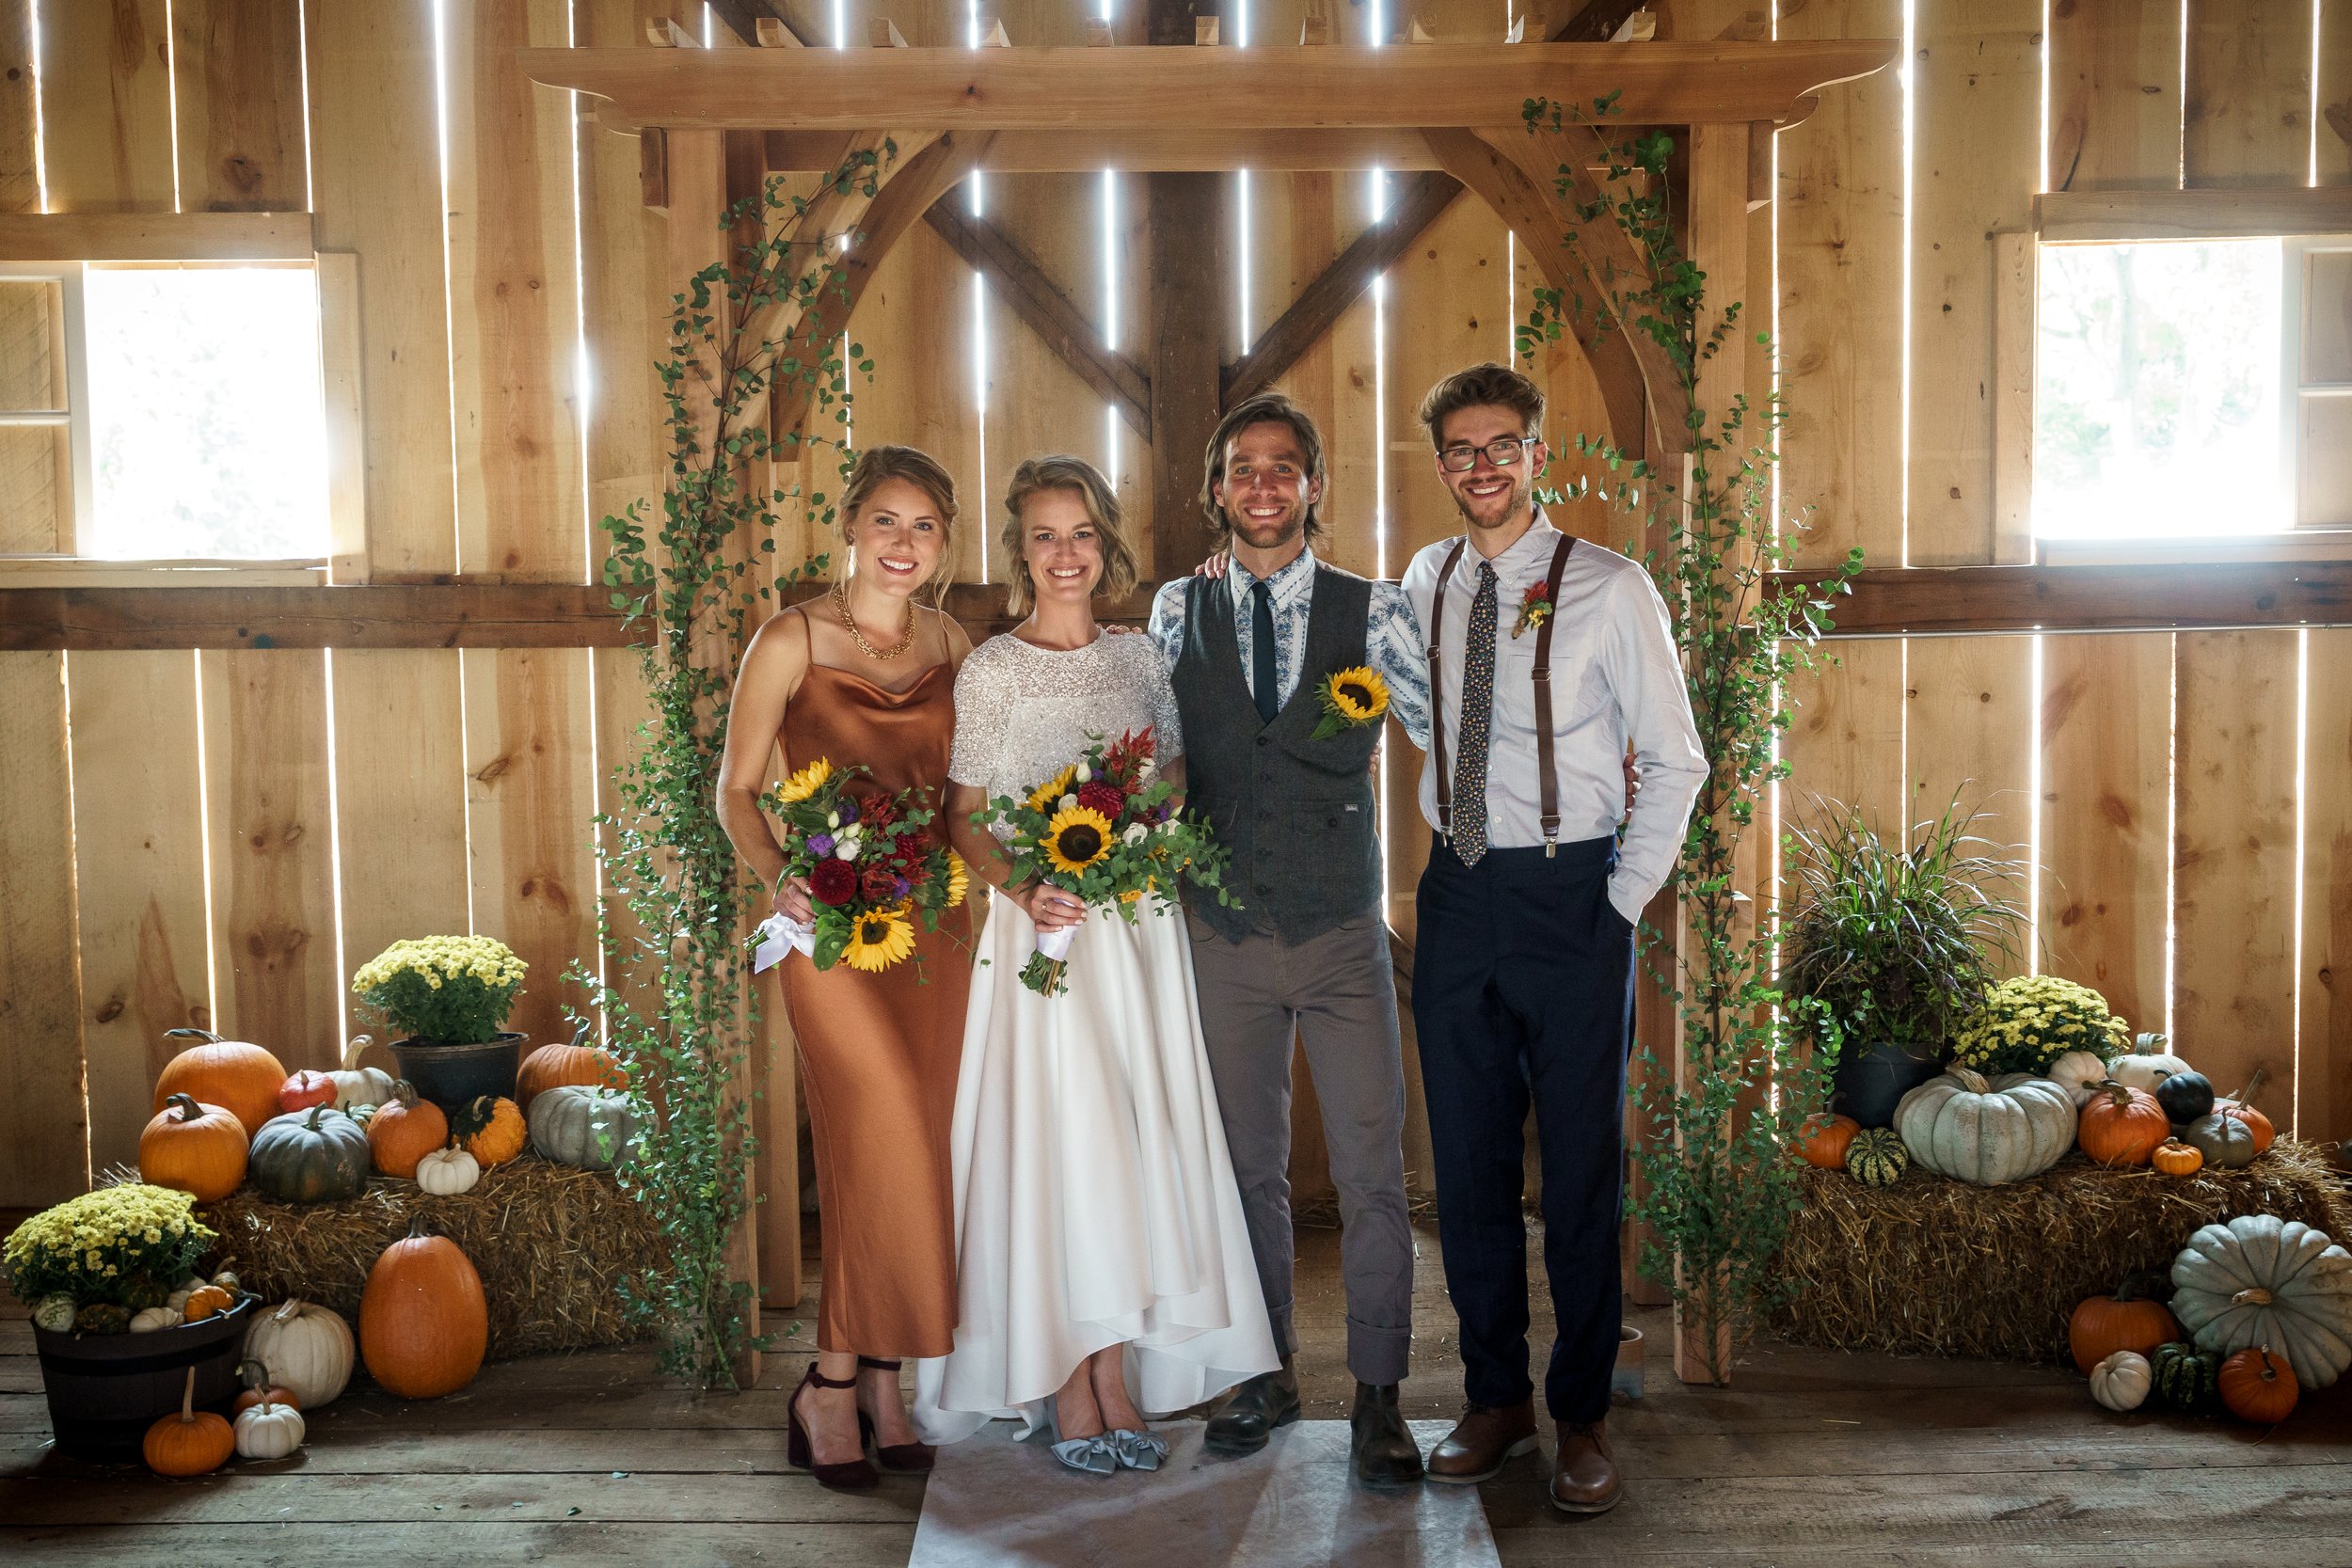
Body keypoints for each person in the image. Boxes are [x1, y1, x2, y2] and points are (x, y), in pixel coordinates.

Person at [914, 454, 1278, 1475]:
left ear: (1103, 544)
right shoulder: (992, 669)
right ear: (1019, 549)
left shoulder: (1138, 656)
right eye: (1042, 534)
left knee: (1129, 1139)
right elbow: (965, 814)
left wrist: (1135, 831)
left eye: (1079, 534)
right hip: (1043, 932)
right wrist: (1028, 889)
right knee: (1059, 1145)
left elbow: (1169, 768)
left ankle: (1117, 1373)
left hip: (1133, 929)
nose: (1063, 553)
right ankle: (1066, 1381)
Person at [1400, 363, 1706, 1514]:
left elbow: (1674, 757)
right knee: (1468, 1161)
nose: (1482, 467)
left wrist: (1618, 900)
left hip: (1575, 898)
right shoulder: (1422, 580)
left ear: (1538, 454)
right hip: (1459, 894)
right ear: (1443, 466)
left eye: (1503, 446)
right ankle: (1492, 1397)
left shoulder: (1612, 588)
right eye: (1461, 451)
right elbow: (1407, 700)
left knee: (1580, 1164)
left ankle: (1580, 1410)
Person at [1145, 393, 1431, 1489]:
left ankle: (1378, 1392)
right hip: (1219, 927)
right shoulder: (1177, 608)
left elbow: (1439, 732)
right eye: (1242, 468)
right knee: (1242, 1168)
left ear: (1314, 485)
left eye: (1284, 466)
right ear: (1215, 489)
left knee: (1369, 1169)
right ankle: (1261, 1371)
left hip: (1339, 928)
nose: (1262, 485)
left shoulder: (1379, 605)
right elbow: (1159, 754)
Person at [716, 446, 976, 1493]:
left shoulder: (954, 640)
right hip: (830, 929)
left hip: (935, 931)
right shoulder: (790, 639)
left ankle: (881, 1377)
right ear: (850, 527)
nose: (902, 542)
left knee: (917, 1142)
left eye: (923, 525)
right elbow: (736, 792)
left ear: (941, 543)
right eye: (885, 520)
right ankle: (828, 1379)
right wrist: (782, 876)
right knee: (878, 1132)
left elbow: (968, 790)